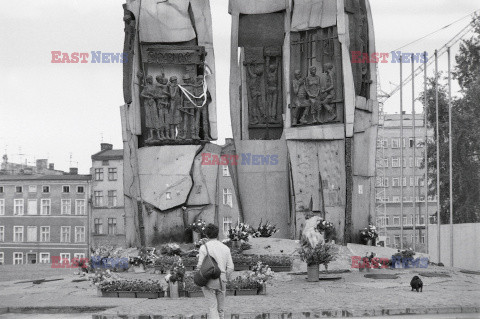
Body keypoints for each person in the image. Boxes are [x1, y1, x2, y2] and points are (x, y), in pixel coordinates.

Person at [196, 224, 234, 319]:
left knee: (212, 307)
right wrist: (225, 277)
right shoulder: (225, 248)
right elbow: (230, 267)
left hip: (209, 280)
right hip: (222, 280)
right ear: (217, 234)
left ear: (206, 235)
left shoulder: (204, 248)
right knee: (221, 309)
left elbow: (200, 265)